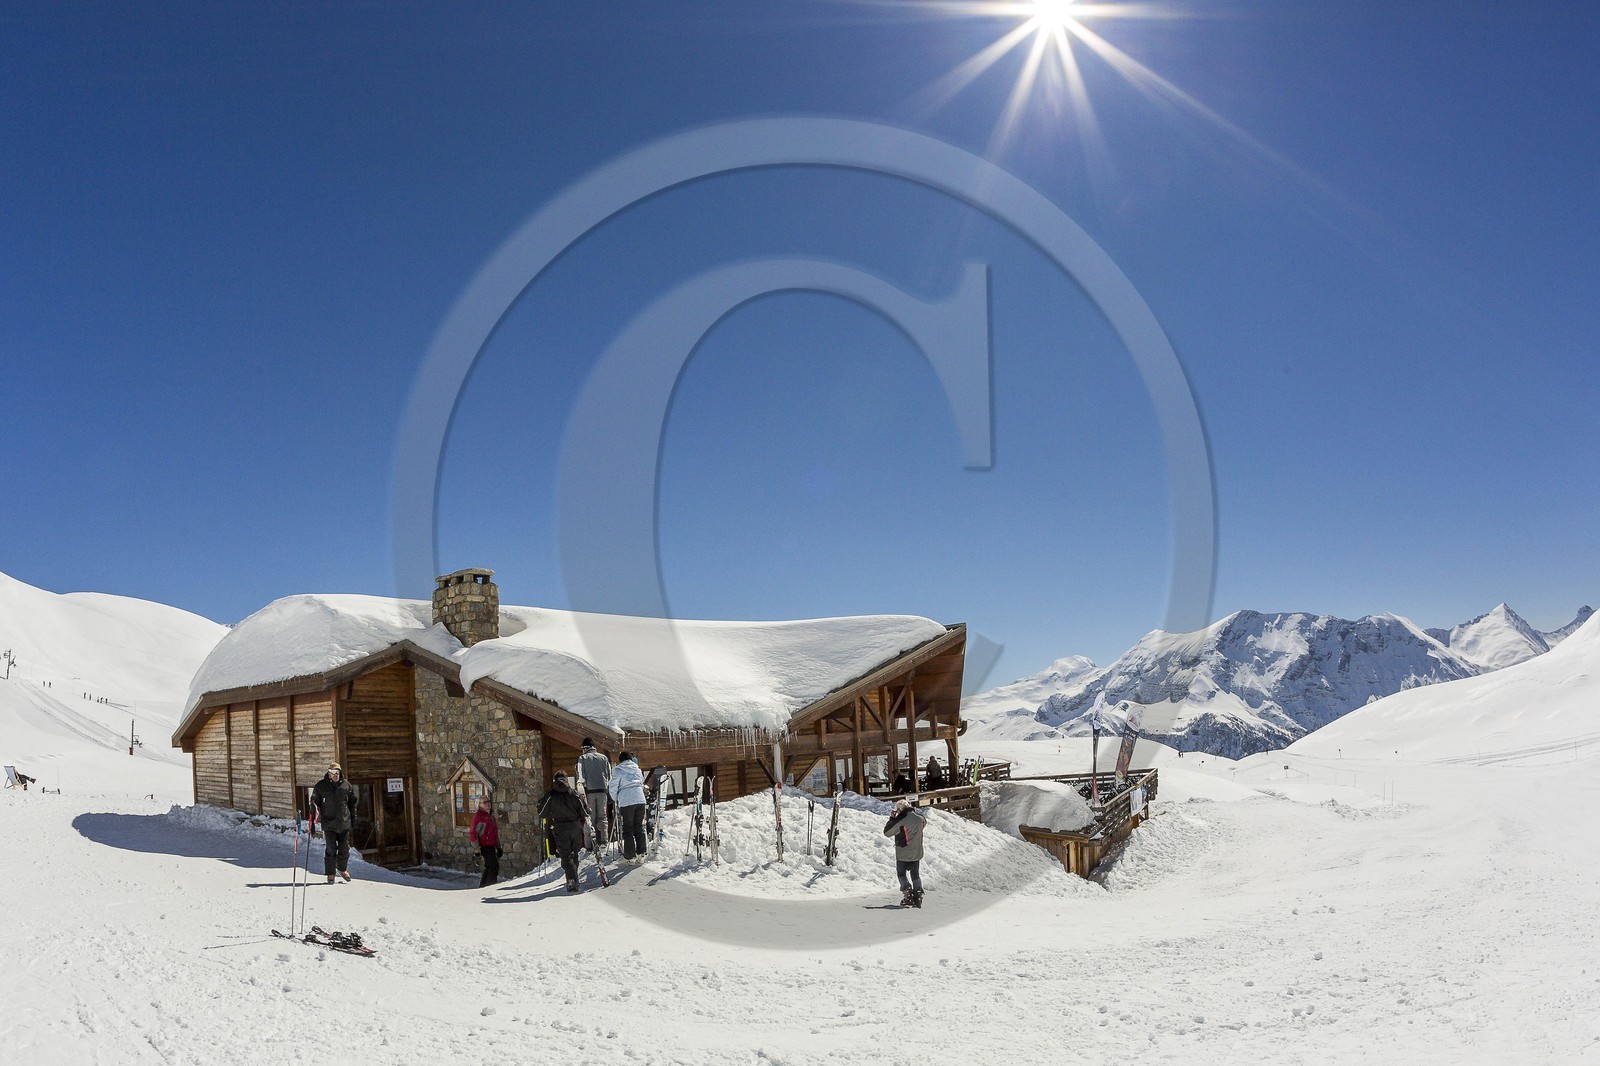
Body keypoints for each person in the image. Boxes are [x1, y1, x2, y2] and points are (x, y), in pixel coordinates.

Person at [539, 771, 588, 892]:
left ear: (555, 780)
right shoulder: (574, 793)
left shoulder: (551, 795)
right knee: (574, 853)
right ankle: (572, 878)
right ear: (566, 779)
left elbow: (542, 813)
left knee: (565, 855)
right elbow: (585, 811)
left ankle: (572, 880)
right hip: (575, 826)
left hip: (560, 826)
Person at [311, 763, 358, 884]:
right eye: (333, 773)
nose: (335, 775)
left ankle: (341, 868)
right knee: (331, 849)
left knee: (344, 850)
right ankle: (330, 873)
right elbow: (315, 803)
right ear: (329, 773)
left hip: (344, 823)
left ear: (340, 773)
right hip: (329, 823)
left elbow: (352, 804)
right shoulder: (321, 786)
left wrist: (353, 820)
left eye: (337, 773)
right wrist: (313, 819)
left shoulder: (346, 786)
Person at [883, 794, 927, 908]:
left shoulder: (900, 821)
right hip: (916, 851)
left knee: (901, 874)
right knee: (915, 874)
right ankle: (918, 893)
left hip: (903, 852)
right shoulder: (920, 818)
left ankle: (907, 893)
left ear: (899, 810)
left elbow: (887, 832)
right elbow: (924, 823)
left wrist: (892, 819)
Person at [607, 751, 648, 865]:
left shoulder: (618, 770)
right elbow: (641, 783)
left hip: (627, 801)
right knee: (639, 827)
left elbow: (613, 786)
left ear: (620, 760)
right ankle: (641, 854)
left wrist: (616, 798)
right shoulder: (637, 769)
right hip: (640, 799)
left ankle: (630, 857)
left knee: (628, 829)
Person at [576, 738, 613, 851]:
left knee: (589, 818)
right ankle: (603, 840)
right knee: (602, 816)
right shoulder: (604, 758)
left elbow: (581, 776)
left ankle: (589, 844)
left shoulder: (582, 758)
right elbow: (609, 775)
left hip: (589, 791)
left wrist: (580, 787)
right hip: (603, 790)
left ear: (585, 748)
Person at [469, 795, 502, 887]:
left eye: (488, 801)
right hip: (484, 845)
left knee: (492, 866)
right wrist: (476, 848)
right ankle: (489, 887)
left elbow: (495, 833)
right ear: (480, 804)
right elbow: (472, 833)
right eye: (484, 802)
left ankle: (485, 886)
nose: (487, 804)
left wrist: (498, 847)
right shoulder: (478, 817)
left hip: (491, 845)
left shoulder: (491, 816)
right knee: (492, 865)